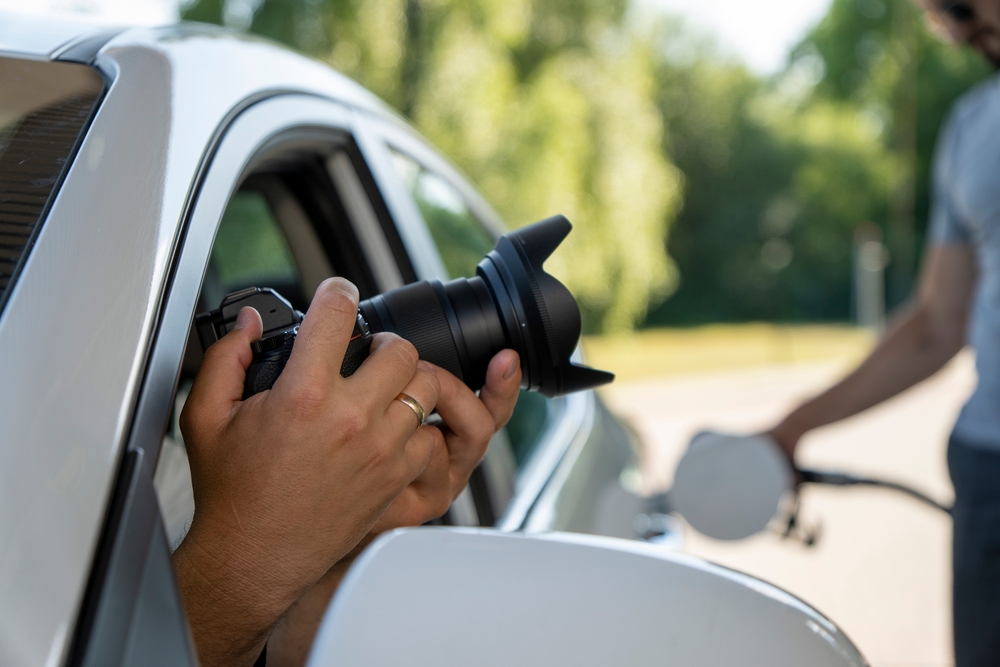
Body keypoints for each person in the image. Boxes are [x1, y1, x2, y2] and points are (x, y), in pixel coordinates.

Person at [766, 2, 1000, 665]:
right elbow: (935, 324)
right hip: (993, 473)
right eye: (937, 14)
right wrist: (792, 427)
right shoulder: (970, 130)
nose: (953, 31)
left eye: (958, 6)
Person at [171, 278, 522, 667]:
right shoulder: (152, 476)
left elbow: (280, 656)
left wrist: (347, 534)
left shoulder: (157, 469)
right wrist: (245, 555)